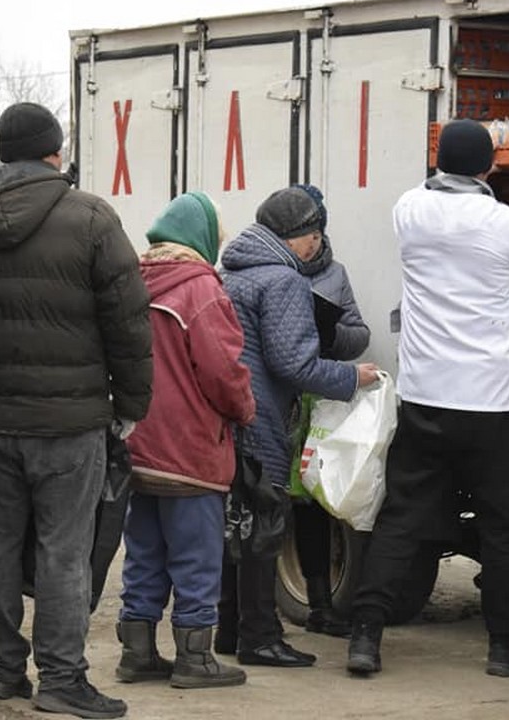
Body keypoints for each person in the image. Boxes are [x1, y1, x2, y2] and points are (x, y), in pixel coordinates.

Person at [346, 118, 509, 678]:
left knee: (401, 519)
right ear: (489, 167)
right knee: (502, 527)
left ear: (439, 164)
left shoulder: (410, 212)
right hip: (493, 400)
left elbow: (429, 191)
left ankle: (365, 637)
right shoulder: (507, 223)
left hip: (427, 395)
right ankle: (502, 647)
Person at [0, 102, 152, 720]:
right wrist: (133, 403)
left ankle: (2, 670)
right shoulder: (90, 217)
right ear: (55, 152)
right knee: (65, 550)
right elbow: (128, 320)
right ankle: (62, 679)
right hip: (71, 423)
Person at [216, 186, 380, 667]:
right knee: (265, 525)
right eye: (315, 235)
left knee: (236, 527)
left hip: (230, 414)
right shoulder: (283, 281)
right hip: (261, 415)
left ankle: (229, 630)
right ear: (301, 237)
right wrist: (352, 377)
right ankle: (261, 637)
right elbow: (294, 364)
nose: (318, 244)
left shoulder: (233, 273)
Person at [116, 193, 255, 690]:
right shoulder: (201, 290)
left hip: (138, 446)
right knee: (196, 557)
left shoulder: (131, 281)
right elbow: (223, 371)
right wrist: (245, 410)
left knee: (144, 551)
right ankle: (195, 659)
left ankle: (137, 653)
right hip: (190, 450)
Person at [290, 184, 371, 638]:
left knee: (315, 501)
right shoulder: (266, 270)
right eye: (307, 230)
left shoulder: (335, 274)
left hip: (318, 400)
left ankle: (322, 604)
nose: (314, 240)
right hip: (279, 398)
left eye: (319, 230)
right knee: (275, 503)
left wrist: (332, 337)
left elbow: (359, 331)